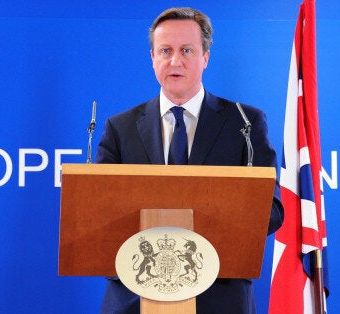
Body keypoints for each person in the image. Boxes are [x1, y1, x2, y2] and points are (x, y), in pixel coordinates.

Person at [95, 7, 284, 314]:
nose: (175, 61)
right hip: (135, 297)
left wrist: (205, 218)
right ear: (152, 58)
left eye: (186, 50)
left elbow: (272, 210)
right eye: (165, 51)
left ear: (205, 57)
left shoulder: (245, 123)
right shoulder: (121, 127)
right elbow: (98, 210)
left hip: (220, 298)